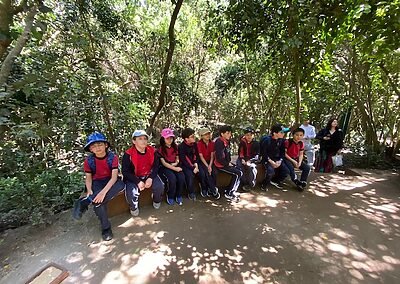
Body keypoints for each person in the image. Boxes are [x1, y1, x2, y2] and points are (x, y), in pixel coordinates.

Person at [73, 132, 125, 241]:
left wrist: (102, 193)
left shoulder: (112, 157)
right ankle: (106, 228)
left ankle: (86, 201)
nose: (98, 148)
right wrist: (90, 191)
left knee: (119, 186)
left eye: (100, 144)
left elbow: (114, 178)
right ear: (90, 149)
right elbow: (88, 178)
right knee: (98, 203)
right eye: (94, 146)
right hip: (97, 182)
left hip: (112, 181)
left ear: (106, 145)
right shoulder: (89, 161)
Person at [122, 130, 164, 217]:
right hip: (133, 177)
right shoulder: (128, 154)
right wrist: (137, 181)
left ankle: (156, 200)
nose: (143, 141)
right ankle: (133, 207)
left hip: (148, 174)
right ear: (134, 141)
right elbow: (125, 172)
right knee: (132, 193)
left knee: (160, 186)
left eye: (145, 138)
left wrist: (151, 178)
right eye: (140, 139)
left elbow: (156, 167)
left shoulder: (153, 151)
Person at [214, 125, 243, 202]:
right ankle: (230, 193)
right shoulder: (219, 142)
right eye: (227, 133)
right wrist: (227, 164)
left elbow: (227, 154)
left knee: (239, 170)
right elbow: (219, 157)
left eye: (230, 133)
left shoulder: (226, 141)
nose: (229, 135)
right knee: (238, 173)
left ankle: (231, 190)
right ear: (222, 134)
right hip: (220, 165)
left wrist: (229, 162)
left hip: (226, 163)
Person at [158, 128, 185, 206]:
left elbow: (177, 157)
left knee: (181, 177)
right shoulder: (160, 149)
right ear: (163, 139)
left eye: (171, 138)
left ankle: (178, 195)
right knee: (172, 179)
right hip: (165, 167)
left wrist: (176, 162)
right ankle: (170, 196)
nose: (169, 140)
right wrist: (175, 168)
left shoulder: (175, 146)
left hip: (175, 165)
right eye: (167, 138)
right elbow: (164, 163)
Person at [260, 124, 290, 191]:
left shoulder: (281, 140)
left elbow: (282, 152)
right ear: (274, 133)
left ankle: (275, 181)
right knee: (270, 172)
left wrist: (280, 160)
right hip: (267, 159)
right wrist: (271, 162)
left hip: (277, 159)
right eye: (281, 132)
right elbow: (263, 153)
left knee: (286, 171)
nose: (283, 134)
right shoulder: (267, 140)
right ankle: (264, 184)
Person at [197, 127, 221, 199]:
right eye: (205, 134)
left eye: (208, 134)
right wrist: (207, 167)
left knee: (214, 172)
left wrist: (210, 165)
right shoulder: (199, 144)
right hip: (202, 161)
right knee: (205, 173)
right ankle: (211, 190)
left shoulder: (212, 143)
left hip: (210, 161)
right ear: (201, 136)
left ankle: (212, 188)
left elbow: (212, 156)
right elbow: (201, 157)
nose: (207, 136)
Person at [178, 128, 200, 201]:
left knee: (203, 172)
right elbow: (184, 160)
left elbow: (196, 155)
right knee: (189, 175)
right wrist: (192, 168)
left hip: (194, 164)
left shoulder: (195, 144)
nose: (194, 138)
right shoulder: (181, 147)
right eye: (192, 136)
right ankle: (191, 193)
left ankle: (205, 189)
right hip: (185, 165)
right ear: (186, 139)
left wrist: (196, 164)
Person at [236, 127, 260, 191]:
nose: (249, 136)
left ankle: (251, 183)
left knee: (252, 168)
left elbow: (257, 156)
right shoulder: (242, 142)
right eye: (247, 135)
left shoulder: (256, 143)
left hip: (251, 159)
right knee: (240, 167)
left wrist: (250, 161)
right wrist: (242, 159)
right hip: (243, 158)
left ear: (253, 135)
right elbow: (240, 152)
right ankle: (243, 183)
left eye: (250, 135)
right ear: (245, 135)